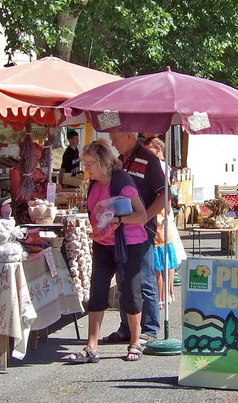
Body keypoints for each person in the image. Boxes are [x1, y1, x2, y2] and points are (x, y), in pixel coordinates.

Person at [62, 139, 149, 363]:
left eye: (89, 164)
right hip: (103, 243)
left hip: (128, 243)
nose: (86, 168)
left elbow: (142, 216)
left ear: (102, 162)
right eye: (85, 163)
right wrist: (98, 230)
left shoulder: (122, 181)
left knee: (130, 291)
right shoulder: (94, 182)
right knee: (98, 290)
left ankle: (135, 341)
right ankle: (91, 346)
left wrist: (118, 219)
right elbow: (96, 213)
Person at [103, 131, 166, 345]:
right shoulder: (119, 161)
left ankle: (149, 328)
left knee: (144, 277)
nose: (113, 142)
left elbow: (165, 194)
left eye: (115, 138)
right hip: (122, 228)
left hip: (142, 229)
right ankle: (127, 328)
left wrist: (146, 216)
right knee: (124, 279)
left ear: (129, 135)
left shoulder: (148, 159)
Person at [142, 136, 180, 309]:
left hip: (160, 218)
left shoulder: (160, 167)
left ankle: (162, 298)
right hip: (163, 216)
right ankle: (168, 295)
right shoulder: (162, 166)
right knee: (166, 261)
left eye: (149, 150)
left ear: (158, 149)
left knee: (160, 263)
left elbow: (165, 194)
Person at [9, 142, 48, 224]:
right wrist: (41, 194)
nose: (37, 159)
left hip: (42, 213)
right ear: (25, 156)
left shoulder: (39, 172)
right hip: (25, 215)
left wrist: (54, 188)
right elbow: (18, 197)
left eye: (39, 156)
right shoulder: (16, 173)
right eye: (34, 156)